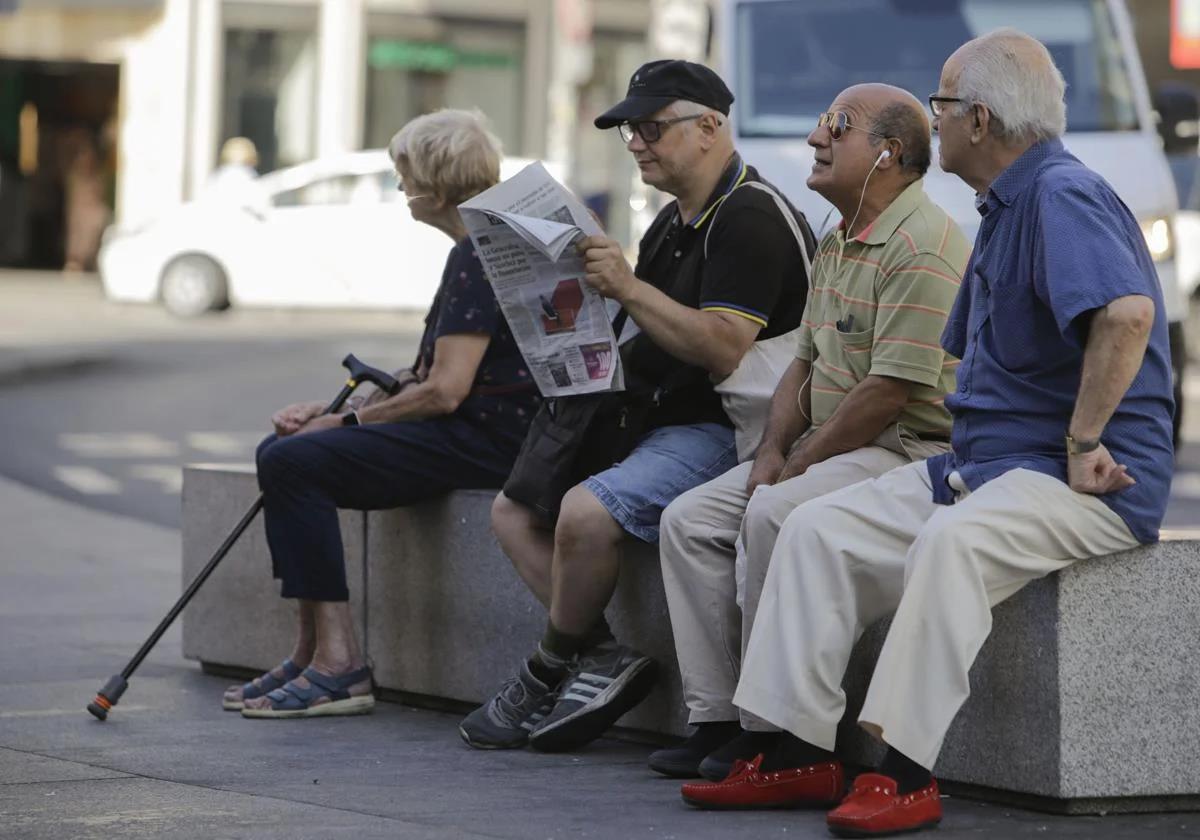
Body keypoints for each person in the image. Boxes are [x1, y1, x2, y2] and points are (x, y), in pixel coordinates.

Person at [680, 30, 1175, 837]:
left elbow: (1127, 314)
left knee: (953, 543)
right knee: (815, 528)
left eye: (941, 106)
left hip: (1077, 478)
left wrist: (1085, 443)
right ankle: (798, 751)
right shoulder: (1008, 204)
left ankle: (904, 774)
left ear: (978, 119)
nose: (932, 121)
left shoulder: (1059, 195)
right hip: (987, 462)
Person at [459, 59, 812, 751]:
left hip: (731, 426)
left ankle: (548, 665)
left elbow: (723, 349)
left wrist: (624, 286)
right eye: (629, 131)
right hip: (650, 412)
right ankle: (600, 656)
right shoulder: (673, 221)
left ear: (710, 127)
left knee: (585, 513)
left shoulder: (748, 217)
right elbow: (639, 326)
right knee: (511, 510)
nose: (637, 143)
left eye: (652, 127)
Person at [651, 84, 970, 781]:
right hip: (834, 445)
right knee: (687, 520)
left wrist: (792, 467)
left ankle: (786, 738)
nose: (814, 138)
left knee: (772, 510)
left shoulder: (924, 245)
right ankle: (719, 719)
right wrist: (771, 450)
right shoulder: (839, 235)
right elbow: (803, 364)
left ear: (887, 155)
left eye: (836, 126)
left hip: (904, 450)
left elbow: (887, 393)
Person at [225, 109, 541, 718]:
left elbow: (446, 391)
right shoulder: (488, 244)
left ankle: (340, 665)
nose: (400, 188)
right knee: (282, 452)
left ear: (436, 188)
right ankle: (310, 650)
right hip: (484, 430)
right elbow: (435, 375)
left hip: (485, 440)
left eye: (405, 176)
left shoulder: (478, 255)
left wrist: (344, 424)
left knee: (295, 463)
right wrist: (340, 406)